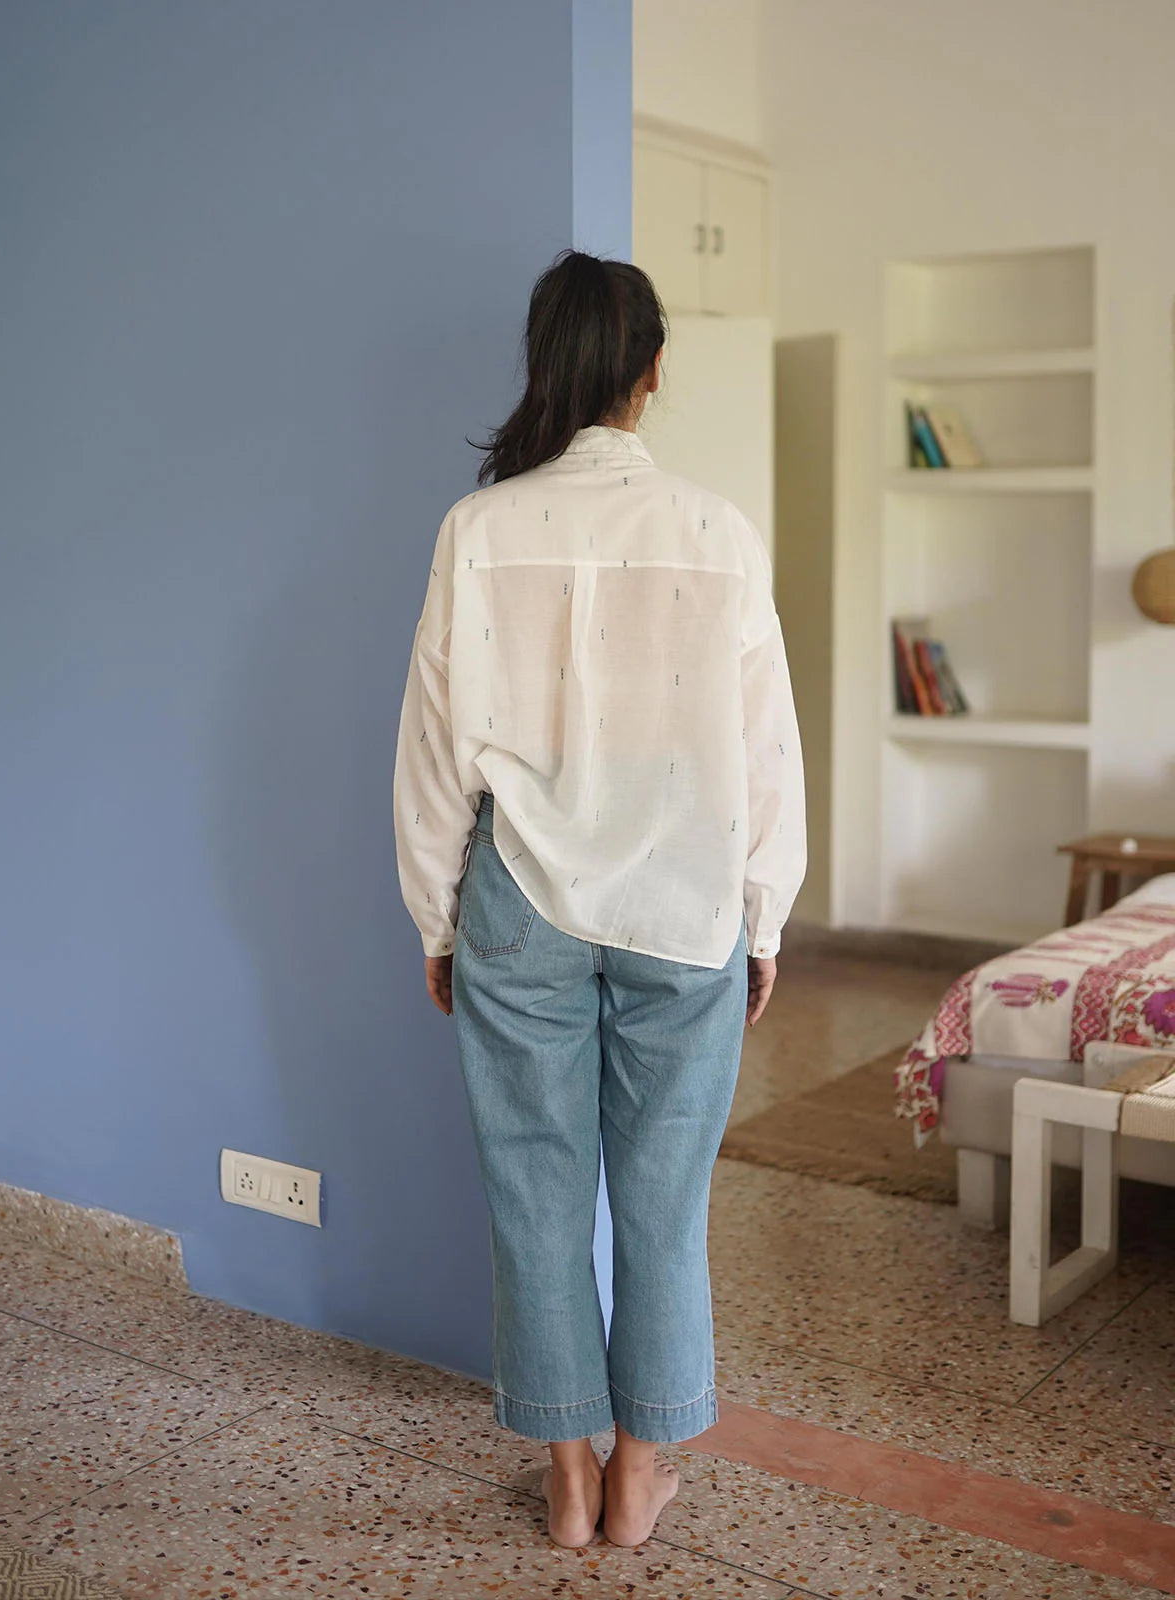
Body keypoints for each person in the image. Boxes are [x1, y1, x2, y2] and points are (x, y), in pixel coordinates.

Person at [392, 248, 806, 1550]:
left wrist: (435, 919)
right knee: (662, 1208)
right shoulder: (717, 531)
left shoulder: (479, 530)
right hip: (688, 910)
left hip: (521, 901)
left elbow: (430, 757)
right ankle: (640, 1475)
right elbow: (767, 749)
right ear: (651, 372)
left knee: (535, 1195)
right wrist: (769, 915)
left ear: (545, 364)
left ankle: (566, 1483)